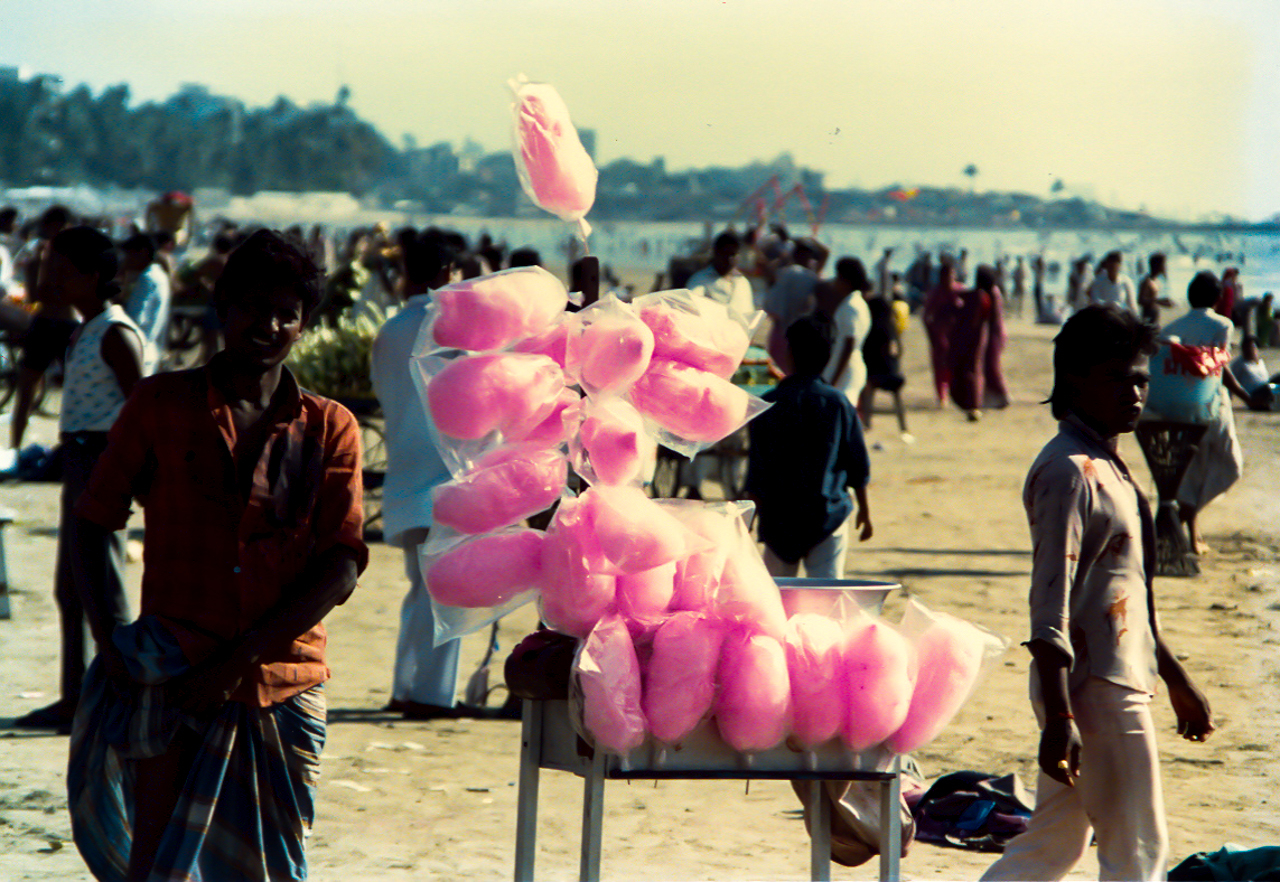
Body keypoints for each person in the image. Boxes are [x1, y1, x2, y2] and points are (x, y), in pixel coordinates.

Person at [67, 229, 367, 882]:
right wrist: (110, 643)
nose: (270, 324)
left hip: (283, 686)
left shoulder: (330, 427)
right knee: (159, 866)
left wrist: (239, 661)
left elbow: (340, 566)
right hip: (171, 674)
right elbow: (94, 521)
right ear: (224, 308)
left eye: (288, 313)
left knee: (274, 867)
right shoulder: (161, 405)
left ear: (304, 325)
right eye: (255, 306)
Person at [981, 304, 1214, 882]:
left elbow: (1130, 591)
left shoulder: (1107, 464)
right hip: (1096, 687)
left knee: (1053, 846)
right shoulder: (1069, 472)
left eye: (1140, 378)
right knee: (1138, 848)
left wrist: (1174, 675)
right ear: (1075, 379)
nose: (1135, 392)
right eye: (1117, 378)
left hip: (1115, 675)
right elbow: (1049, 602)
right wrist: (1060, 713)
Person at [11, 228, 146, 732]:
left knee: (104, 592)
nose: (51, 280)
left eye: (62, 271)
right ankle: (76, 700)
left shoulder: (115, 332)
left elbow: (140, 407)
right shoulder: (84, 329)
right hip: (80, 462)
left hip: (102, 465)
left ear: (92, 277)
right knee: (72, 588)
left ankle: (126, 700)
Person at [371, 230, 466, 720]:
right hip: (445, 476)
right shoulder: (452, 328)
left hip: (405, 475)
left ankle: (407, 686)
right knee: (443, 593)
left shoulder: (391, 328)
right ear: (447, 272)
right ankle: (428, 695)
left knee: (421, 589)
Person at [745, 315, 872, 579]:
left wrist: (751, 515)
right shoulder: (838, 403)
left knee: (777, 596)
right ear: (829, 355)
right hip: (827, 516)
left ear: (789, 352)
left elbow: (757, 470)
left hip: (778, 518)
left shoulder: (768, 404)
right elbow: (857, 463)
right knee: (825, 593)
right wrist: (865, 510)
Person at [1162, 271, 1250, 553]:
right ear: (1217, 298)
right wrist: (1246, 397)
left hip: (1178, 407)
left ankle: (1190, 533)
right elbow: (1219, 368)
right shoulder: (1223, 324)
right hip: (1212, 406)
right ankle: (1182, 515)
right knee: (1231, 467)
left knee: (1192, 470)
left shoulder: (1172, 326)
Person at [7, 205, 74, 460]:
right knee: (26, 390)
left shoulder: (71, 257)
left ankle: (68, 448)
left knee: (72, 390)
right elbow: (35, 295)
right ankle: (14, 447)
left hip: (64, 324)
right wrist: (37, 266)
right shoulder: (41, 256)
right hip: (46, 322)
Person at [948, 264, 1008, 420]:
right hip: (991, 333)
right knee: (986, 366)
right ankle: (988, 398)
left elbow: (984, 315)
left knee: (988, 365)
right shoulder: (989, 293)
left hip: (992, 333)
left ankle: (998, 398)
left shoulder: (989, 295)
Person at [763, 236, 829, 375]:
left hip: (779, 332)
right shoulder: (810, 277)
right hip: (801, 335)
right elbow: (826, 252)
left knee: (777, 375)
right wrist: (812, 239)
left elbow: (769, 274)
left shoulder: (784, 273)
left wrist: (784, 256)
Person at [815, 256, 872, 405]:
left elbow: (849, 344)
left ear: (846, 280)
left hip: (845, 370)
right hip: (850, 366)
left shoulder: (851, 306)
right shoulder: (857, 302)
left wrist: (833, 380)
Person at [119, 232, 173, 373]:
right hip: (151, 350)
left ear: (142, 253)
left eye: (128, 254)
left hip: (139, 352)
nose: (125, 259)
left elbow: (135, 319)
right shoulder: (159, 275)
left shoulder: (147, 279)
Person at [686, 230, 755, 318]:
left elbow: (749, 317)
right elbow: (690, 310)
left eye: (733, 254)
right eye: (725, 254)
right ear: (716, 253)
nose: (730, 259)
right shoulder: (700, 280)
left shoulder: (743, 283)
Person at [922, 257, 963, 406]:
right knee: (940, 366)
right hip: (940, 334)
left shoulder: (961, 291)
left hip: (956, 335)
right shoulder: (935, 293)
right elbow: (926, 316)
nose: (950, 278)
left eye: (952, 275)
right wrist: (931, 335)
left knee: (956, 365)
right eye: (947, 275)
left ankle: (955, 392)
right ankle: (941, 395)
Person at [1229, 335, 1279, 411]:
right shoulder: (1239, 363)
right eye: (1247, 348)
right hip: (1254, 394)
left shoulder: (1260, 362)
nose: (1250, 350)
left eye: (1252, 348)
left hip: (1266, 388)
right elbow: (1231, 383)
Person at [1136, 252, 1171, 327]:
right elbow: (1140, 300)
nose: (1165, 267)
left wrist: (1162, 301)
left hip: (1154, 319)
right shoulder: (1147, 281)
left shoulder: (1155, 281)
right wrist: (1158, 301)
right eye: (1163, 264)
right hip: (1148, 320)